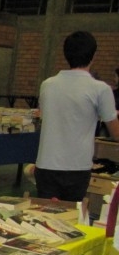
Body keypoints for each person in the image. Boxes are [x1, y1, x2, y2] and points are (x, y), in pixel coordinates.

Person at [35, 31, 119, 201]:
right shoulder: (100, 89)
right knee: (71, 219)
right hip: (76, 167)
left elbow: (44, 114)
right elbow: (116, 132)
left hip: (46, 164)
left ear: (65, 54)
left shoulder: (47, 85)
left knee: (43, 217)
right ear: (93, 55)